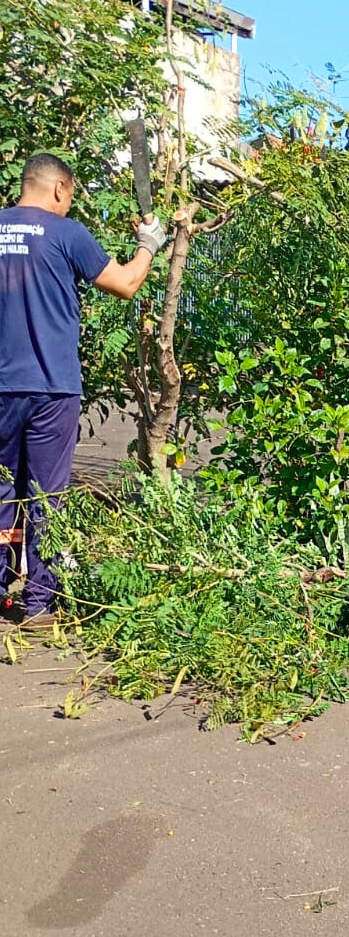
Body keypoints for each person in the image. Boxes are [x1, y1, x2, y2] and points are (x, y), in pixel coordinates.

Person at [1, 153, 162, 628]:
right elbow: (127, 284)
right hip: (52, 388)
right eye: (70, 195)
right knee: (47, 495)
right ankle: (38, 604)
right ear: (58, 189)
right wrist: (148, 245)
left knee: (2, 491)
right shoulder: (66, 233)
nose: (68, 204)